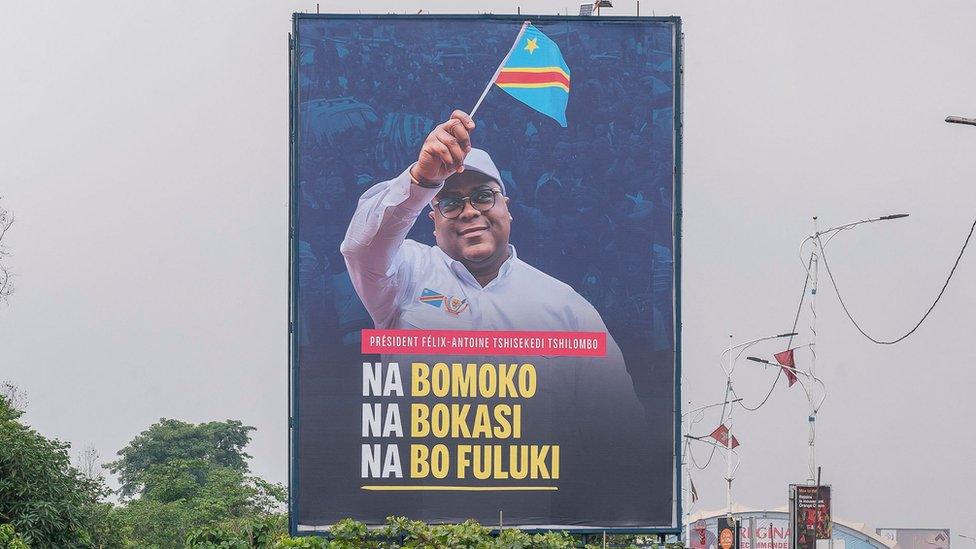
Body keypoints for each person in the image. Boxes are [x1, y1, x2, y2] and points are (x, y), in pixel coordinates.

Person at [340, 109, 613, 336]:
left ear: (506, 208)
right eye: (449, 202)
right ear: (433, 221)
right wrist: (422, 180)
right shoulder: (405, 274)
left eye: (483, 196)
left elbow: (611, 402)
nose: (469, 212)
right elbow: (361, 248)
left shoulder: (566, 308)